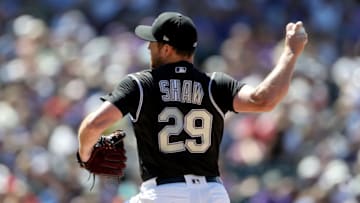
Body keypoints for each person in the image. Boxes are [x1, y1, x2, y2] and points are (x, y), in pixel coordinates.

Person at [77, 11, 308, 203]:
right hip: (212, 194)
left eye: (153, 43)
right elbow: (264, 100)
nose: (149, 48)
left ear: (166, 49)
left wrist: (86, 156)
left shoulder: (141, 83)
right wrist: (290, 53)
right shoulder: (214, 84)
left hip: (163, 193)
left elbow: (94, 124)